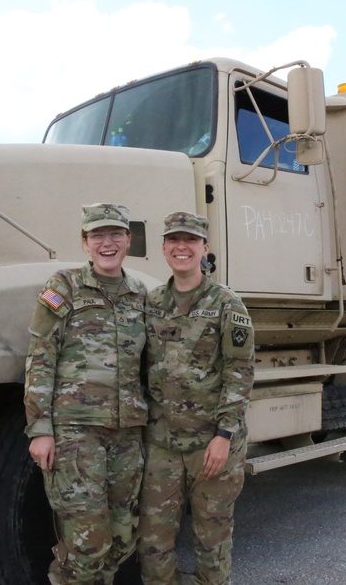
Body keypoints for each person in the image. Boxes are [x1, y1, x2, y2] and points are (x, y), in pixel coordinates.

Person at [24, 203, 148, 585]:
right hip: (76, 434)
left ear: (128, 240)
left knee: (122, 535)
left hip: (127, 432)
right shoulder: (64, 286)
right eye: (98, 235)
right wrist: (40, 428)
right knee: (87, 539)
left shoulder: (140, 293)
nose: (107, 243)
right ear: (85, 242)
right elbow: (41, 356)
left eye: (115, 234)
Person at [139, 211, 256, 585]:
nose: (181, 247)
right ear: (163, 248)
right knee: (153, 543)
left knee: (212, 540)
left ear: (204, 248)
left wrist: (224, 436)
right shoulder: (152, 302)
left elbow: (240, 373)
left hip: (211, 444)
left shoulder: (226, 304)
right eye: (174, 240)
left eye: (189, 240)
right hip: (163, 445)